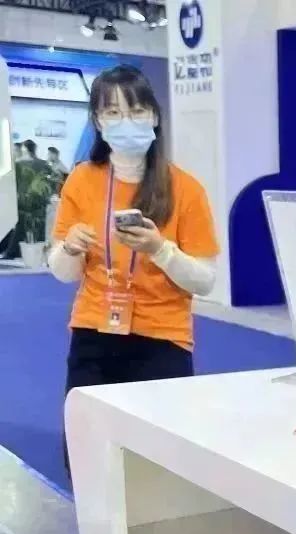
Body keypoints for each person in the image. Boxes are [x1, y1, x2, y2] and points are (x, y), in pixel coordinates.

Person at [49, 65, 218, 457]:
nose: (126, 122)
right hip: (93, 333)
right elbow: (62, 273)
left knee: (159, 458)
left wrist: (161, 250)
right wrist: (70, 248)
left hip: (162, 338)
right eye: (113, 112)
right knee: (89, 455)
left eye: (137, 111)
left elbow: (205, 280)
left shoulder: (185, 188)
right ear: (97, 121)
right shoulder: (81, 180)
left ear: (154, 116)